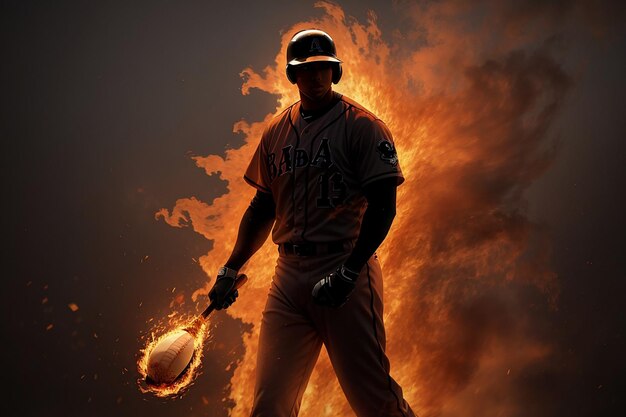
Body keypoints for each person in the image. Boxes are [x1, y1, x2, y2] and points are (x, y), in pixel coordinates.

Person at [209, 29, 416, 417]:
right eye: (308, 69)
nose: (317, 76)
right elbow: (262, 205)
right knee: (268, 408)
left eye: (324, 68)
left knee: (376, 403)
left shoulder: (363, 125)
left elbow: (384, 205)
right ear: (293, 75)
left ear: (335, 72)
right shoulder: (275, 131)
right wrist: (230, 267)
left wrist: (351, 270)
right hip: (287, 276)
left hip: (345, 267)